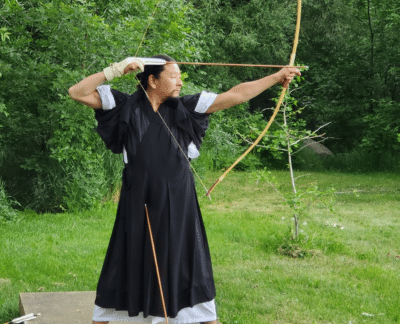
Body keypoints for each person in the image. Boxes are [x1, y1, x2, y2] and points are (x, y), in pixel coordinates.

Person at [68, 55, 300, 324]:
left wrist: (276, 76)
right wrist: (115, 70)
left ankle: (200, 316)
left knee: (186, 262)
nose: (179, 81)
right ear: (152, 80)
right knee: (127, 261)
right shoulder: (124, 106)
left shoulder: (186, 108)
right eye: (173, 76)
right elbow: (77, 92)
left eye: (180, 76)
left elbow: (236, 94)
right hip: (137, 202)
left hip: (178, 202)